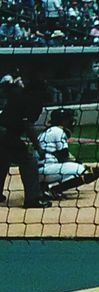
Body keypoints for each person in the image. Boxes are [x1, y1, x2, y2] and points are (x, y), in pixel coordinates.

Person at [0, 72, 52, 208]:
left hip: (3, 132)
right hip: (6, 134)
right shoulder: (34, 100)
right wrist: (38, 147)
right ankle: (32, 199)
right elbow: (27, 124)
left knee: (3, 161)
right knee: (28, 161)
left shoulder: (21, 94)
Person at [37, 109, 99, 197]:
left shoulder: (45, 132)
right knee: (88, 173)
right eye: (69, 119)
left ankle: (44, 187)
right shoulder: (58, 131)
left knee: (79, 169)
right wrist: (82, 165)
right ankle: (54, 190)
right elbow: (64, 157)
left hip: (38, 172)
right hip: (48, 170)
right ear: (63, 121)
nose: (71, 121)